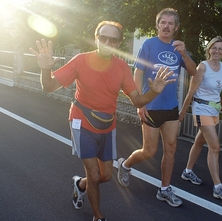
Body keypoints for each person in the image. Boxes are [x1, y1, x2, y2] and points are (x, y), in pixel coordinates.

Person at [30, 21, 175, 221]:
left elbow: (137, 100)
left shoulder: (122, 67)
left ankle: (80, 184)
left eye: (113, 39)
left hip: (107, 125)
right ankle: (98, 216)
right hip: (81, 121)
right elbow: (49, 86)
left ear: (119, 43)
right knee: (95, 176)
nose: (107, 42)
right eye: (103, 38)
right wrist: (45, 69)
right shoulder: (80, 60)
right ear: (96, 38)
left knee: (105, 176)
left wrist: (153, 92)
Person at [117, 8, 197, 207]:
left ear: (176, 27)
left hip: (171, 108)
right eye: (163, 23)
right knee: (149, 151)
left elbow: (194, 71)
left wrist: (184, 54)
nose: (167, 26)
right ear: (158, 25)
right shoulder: (149, 44)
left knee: (171, 149)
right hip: (151, 106)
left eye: (171, 23)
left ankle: (164, 189)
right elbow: (138, 74)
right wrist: (140, 103)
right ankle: (125, 165)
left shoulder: (179, 48)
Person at [178, 36, 222, 200]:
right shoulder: (202, 67)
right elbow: (191, 92)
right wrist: (182, 112)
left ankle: (187, 172)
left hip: (214, 110)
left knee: (200, 142)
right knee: (215, 147)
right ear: (209, 49)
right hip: (201, 109)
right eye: (214, 48)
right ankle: (218, 187)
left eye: (220, 49)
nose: (217, 51)